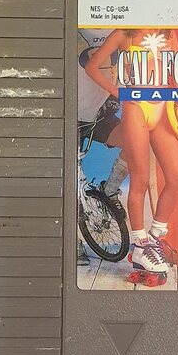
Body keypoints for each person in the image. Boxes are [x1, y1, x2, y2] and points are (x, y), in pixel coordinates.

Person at [85, 29, 178, 276]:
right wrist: (119, 92)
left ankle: (152, 239)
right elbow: (92, 67)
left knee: (176, 179)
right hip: (137, 109)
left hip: (164, 106)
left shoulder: (167, 33)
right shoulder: (124, 34)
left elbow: (175, 74)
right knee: (140, 181)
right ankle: (141, 246)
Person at [77, 30, 130, 265]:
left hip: (98, 114)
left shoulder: (122, 31)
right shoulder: (73, 23)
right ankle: (70, 239)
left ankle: (109, 191)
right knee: (64, 178)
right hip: (68, 114)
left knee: (136, 144)